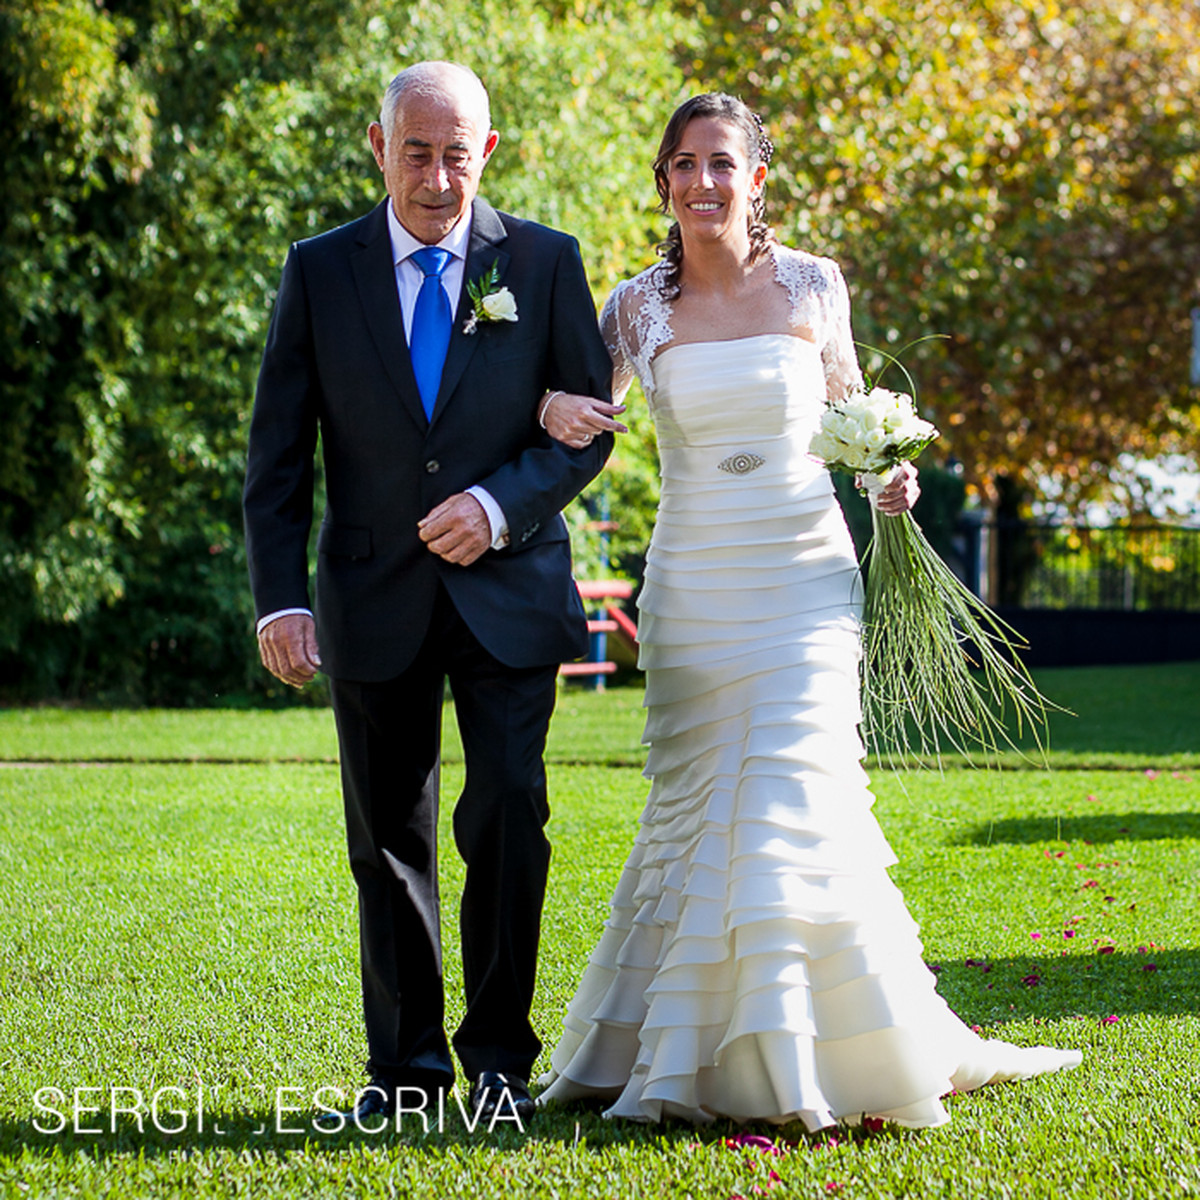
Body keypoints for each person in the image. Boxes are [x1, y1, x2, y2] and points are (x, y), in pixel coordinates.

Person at [535, 92, 1081, 1128]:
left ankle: (813, 1054)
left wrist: (892, 477)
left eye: (722, 163)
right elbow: (570, 402)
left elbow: (851, 418)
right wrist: (545, 405)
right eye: (684, 164)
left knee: (796, 804)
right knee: (693, 813)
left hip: (803, 579)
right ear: (662, 181)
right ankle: (682, 1053)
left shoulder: (813, 284)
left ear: (757, 179)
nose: (704, 182)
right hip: (695, 582)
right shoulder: (631, 308)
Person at [243, 61, 613, 1127]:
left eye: (459, 153)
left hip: (510, 591)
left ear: (487, 152)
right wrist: (279, 599)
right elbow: (279, 455)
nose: (439, 177)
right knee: (386, 844)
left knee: (509, 817)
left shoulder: (542, 263)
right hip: (367, 596)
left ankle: (498, 1063)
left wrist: (500, 507)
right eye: (418, 151)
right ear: (378, 146)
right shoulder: (319, 271)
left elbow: (587, 431)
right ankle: (405, 1076)